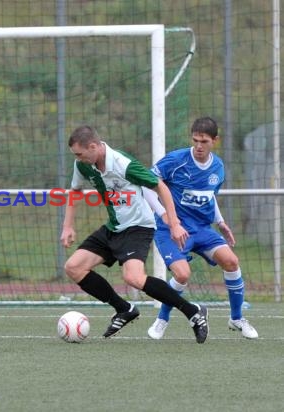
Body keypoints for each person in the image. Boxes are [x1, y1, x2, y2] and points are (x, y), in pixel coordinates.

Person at [60, 125, 210, 343]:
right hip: (114, 226)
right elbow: (74, 192)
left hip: (138, 227)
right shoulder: (83, 166)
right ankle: (124, 308)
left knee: (133, 277)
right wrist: (67, 226)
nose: (78, 159)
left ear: (93, 147)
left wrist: (174, 223)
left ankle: (192, 311)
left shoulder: (122, 164)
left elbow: (159, 186)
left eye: (80, 154)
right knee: (73, 267)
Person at [144, 116, 259, 340]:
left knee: (231, 261)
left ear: (214, 141)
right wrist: (165, 215)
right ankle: (162, 319)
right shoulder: (175, 160)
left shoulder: (218, 167)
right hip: (172, 230)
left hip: (202, 228)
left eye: (204, 141)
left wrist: (221, 222)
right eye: (195, 140)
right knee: (182, 274)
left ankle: (236, 318)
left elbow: (209, 198)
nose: (198, 146)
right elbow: (146, 185)